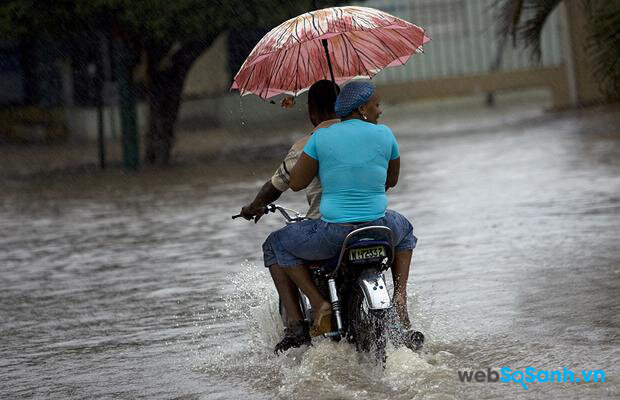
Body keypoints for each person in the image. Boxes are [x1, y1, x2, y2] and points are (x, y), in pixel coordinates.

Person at [262, 80, 419, 353]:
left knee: (277, 243)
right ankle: (400, 299)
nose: (380, 110)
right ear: (361, 108)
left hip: (335, 233)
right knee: (405, 230)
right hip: (381, 228)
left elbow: (297, 184)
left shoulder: (320, 139)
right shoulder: (384, 135)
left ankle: (317, 304)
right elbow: (390, 181)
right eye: (376, 104)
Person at [238, 80, 340, 353]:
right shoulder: (364, 136)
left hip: (327, 227)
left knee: (275, 244)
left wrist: (253, 206)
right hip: (367, 223)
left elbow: (278, 185)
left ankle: (297, 325)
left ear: (313, 112)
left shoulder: (308, 145)